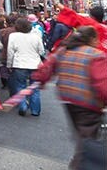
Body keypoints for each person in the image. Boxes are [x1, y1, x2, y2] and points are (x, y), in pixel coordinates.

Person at [32, 26, 107, 170]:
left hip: (67, 98)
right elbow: (102, 83)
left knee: (81, 134)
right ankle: (80, 164)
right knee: (88, 139)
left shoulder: (63, 51)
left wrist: (40, 81)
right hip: (88, 102)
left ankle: (80, 160)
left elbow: (46, 68)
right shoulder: (96, 55)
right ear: (91, 39)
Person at [7, 17, 45, 116]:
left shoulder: (13, 36)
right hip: (35, 64)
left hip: (19, 64)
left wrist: (9, 64)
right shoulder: (36, 36)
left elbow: (10, 52)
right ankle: (35, 110)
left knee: (20, 86)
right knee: (34, 88)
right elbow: (41, 51)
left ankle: (23, 105)